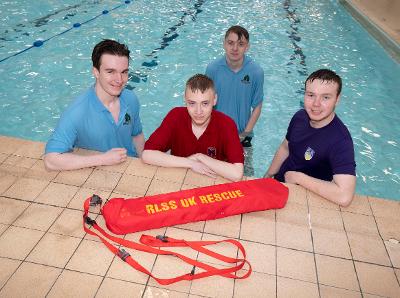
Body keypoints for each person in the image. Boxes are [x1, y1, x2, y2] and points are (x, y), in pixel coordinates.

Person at [44, 39, 145, 171]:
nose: (119, 80)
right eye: (110, 72)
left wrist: (142, 162)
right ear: (96, 72)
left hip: (130, 167)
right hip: (100, 173)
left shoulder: (130, 98)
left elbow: (137, 135)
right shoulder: (78, 112)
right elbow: (50, 160)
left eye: (124, 72)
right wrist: (103, 159)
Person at [264, 69, 356, 206]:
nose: (316, 104)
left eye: (325, 97)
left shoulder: (340, 140)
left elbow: (344, 197)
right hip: (281, 183)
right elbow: (285, 147)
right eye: (311, 95)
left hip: (305, 198)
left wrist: (299, 178)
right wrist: (268, 175)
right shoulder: (300, 117)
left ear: (337, 99)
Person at [142, 74, 244, 181]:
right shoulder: (175, 116)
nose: (198, 111)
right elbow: (147, 154)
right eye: (192, 103)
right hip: (181, 178)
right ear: (185, 100)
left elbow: (237, 174)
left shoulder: (226, 125)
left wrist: (200, 157)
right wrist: (191, 163)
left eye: (205, 103)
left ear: (214, 100)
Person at [206, 25, 264, 147]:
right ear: (224, 44)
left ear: (247, 47)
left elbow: (257, 107)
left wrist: (244, 134)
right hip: (216, 132)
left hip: (244, 135)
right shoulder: (213, 69)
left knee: (245, 167)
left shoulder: (256, 72)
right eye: (230, 43)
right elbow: (206, 102)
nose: (235, 48)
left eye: (241, 44)